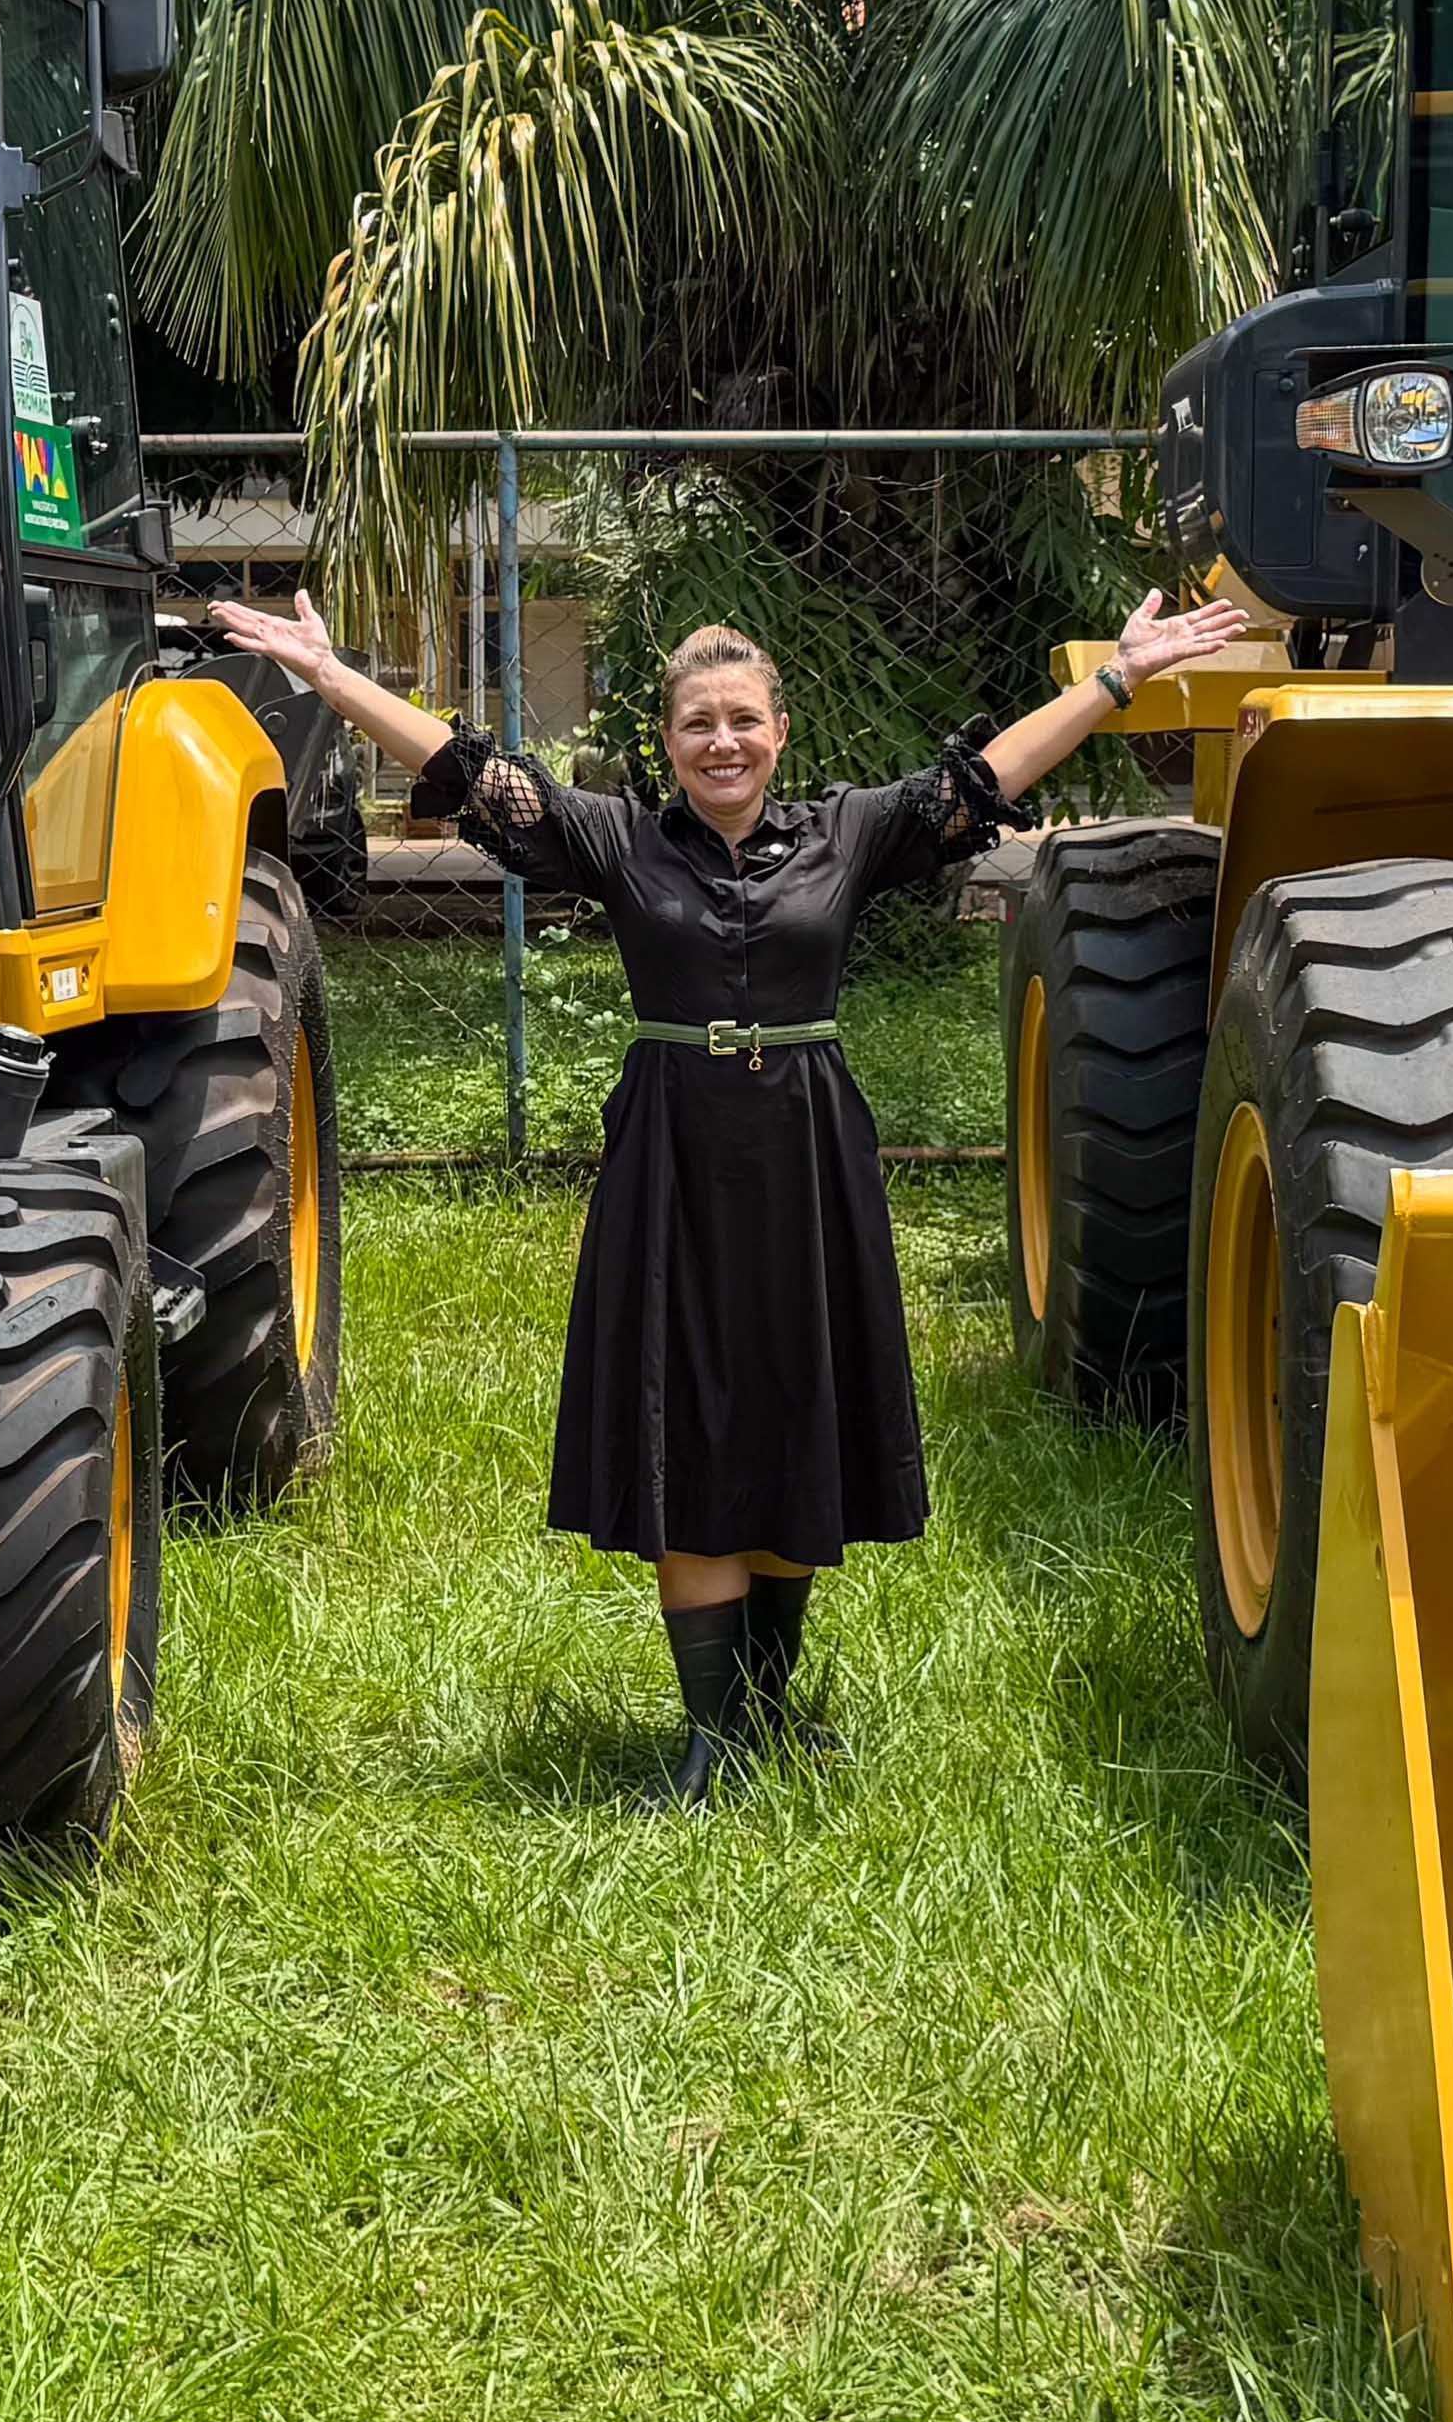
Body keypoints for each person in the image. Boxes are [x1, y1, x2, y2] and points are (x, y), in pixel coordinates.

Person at [207, 584, 1256, 1801]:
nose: (722, 742)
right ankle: (712, 1738)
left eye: (743, 720)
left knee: (787, 1398)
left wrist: (1115, 679)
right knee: (688, 1412)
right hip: (673, 1161)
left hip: (810, 1163)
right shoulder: (615, 840)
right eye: (697, 722)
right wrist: (332, 679)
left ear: (780, 730)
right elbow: (470, 769)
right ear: (665, 740)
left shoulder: (849, 833)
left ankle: (766, 1708)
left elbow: (982, 787)